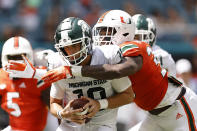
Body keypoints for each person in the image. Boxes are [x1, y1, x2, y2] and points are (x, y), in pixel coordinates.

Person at [41, 10, 197, 131]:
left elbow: (120, 70)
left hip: (179, 108)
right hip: (154, 115)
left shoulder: (135, 47)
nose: (100, 36)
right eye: (100, 32)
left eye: (105, 31)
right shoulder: (110, 54)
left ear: (124, 31)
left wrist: (73, 71)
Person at [6, 16, 134, 131]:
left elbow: (128, 95)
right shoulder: (57, 63)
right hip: (71, 125)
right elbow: (54, 103)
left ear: (88, 42)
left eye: (75, 45)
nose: (70, 52)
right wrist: (63, 113)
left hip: (103, 125)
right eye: (65, 48)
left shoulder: (105, 57)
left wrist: (100, 104)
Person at [0, 36, 50, 131]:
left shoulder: (39, 77)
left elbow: (54, 107)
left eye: (20, 57)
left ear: (29, 56)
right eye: (12, 57)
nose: (16, 61)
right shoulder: (1, 77)